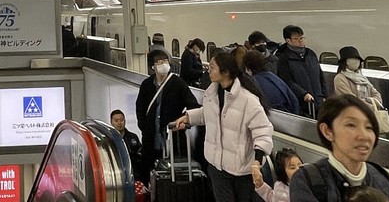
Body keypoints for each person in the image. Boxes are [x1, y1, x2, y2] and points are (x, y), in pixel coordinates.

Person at [173, 51, 274, 202]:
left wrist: (257, 163)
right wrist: (188, 117)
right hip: (217, 166)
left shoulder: (248, 100)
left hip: (242, 171)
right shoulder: (212, 93)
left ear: (225, 72)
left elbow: (262, 131)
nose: (208, 70)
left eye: (212, 67)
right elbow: (209, 113)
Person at [289, 94, 389, 202]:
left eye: (369, 127)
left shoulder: (383, 178)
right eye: (351, 125)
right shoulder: (308, 181)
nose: (363, 136)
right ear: (327, 131)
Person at [135, 48, 199, 186]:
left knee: (170, 176)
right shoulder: (147, 85)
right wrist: (144, 127)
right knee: (149, 172)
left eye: (165, 61)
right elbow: (140, 108)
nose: (163, 64)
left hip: (173, 140)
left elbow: (194, 106)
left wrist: (183, 120)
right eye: (159, 62)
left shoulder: (178, 83)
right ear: (153, 66)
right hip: (150, 139)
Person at [275, 25, 326, 116]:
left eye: (301, 38)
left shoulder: (310, 54)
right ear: (288, 41)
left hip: (318, 100)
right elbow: (287, 81)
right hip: (301, 103)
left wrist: (325, 95)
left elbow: (320, 76)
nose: (300, 40)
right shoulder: (283, 58)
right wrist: (303, 94)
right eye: (296, 39)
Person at [244, 50, 300, 114]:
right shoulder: (273, 76)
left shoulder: (253, 83)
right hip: (289, 114)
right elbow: (294, 100)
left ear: (248, 68)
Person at [110, 109, 142, 181]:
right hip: (115, 176)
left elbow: (140, 155)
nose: (119, 123)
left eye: (121, 120)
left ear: (125, 121)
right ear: (111, 122)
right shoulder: (108, 139)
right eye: (116, 120)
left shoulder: (133, 137)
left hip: (133, 174)